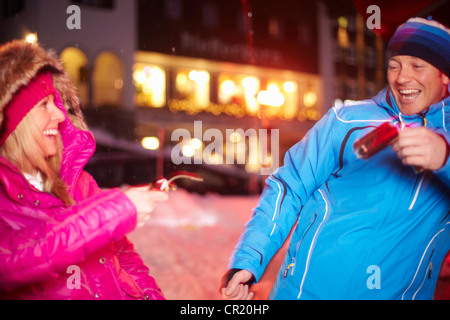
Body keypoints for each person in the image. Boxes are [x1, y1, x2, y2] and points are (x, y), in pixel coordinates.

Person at [221, 17, 450, 300]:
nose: (402, 77)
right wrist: (248, 259)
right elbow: (289, 187)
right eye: (394, 65)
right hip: (304, 292)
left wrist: (445, 158)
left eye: (417, 65)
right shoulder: (347, 120)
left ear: (445, 74)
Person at [0, 40, 168, 300]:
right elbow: (16, 259)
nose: (58, 115)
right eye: (44, 104)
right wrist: (112, 212)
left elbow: (125, 259)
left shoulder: (80, 182)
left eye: (56, 103)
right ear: (14, 122)